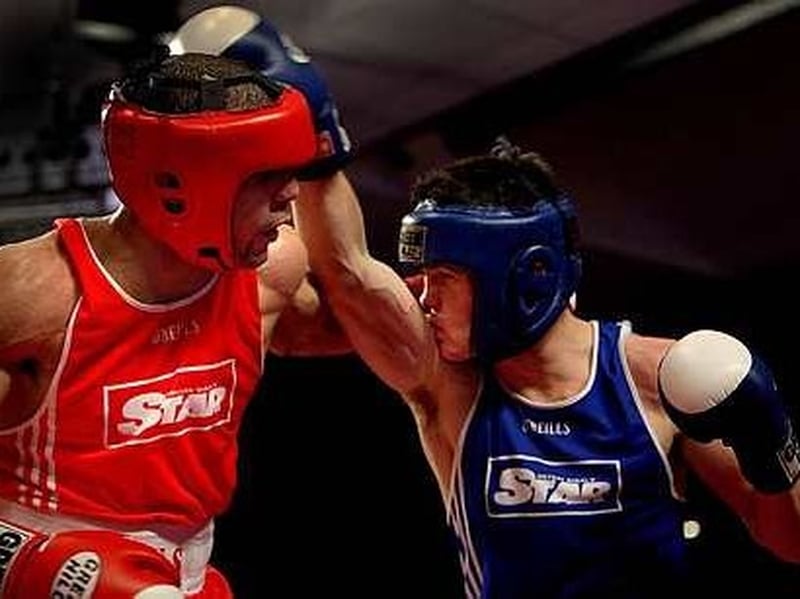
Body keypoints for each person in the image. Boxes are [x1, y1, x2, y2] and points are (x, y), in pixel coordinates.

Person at [170, 6, 800, 598]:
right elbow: (352, 275)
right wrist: (315, 142)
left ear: (523, 278)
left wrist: (775, 456)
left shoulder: (658, 380)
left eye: (443, 277)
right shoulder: (446, 383)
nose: (423, 296)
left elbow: (790, 540)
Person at [0, 48, 352, 597]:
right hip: (56, 560)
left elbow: (338, 332)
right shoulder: (30, 293)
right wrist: (40, 569)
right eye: (267, 176)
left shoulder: (271, 270)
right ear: (182, 181)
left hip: (191, 573)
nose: (290, 196)